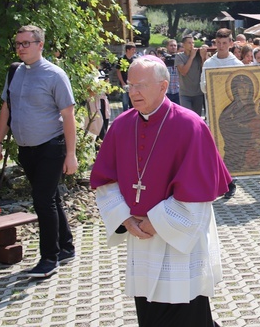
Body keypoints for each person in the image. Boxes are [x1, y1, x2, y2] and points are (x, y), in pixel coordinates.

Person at [90, 56, 232, 326]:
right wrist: (125, 219)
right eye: (130, 85)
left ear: (163, 86)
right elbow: (105, 181)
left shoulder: (190, 125)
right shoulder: (121, 125)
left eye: (141, 85)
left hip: (178, 239)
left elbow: (198, 193)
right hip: (140, 237)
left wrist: (155, 222)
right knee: (149, 312)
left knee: (187, 311)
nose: (133, 92)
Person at [0, 25, 77, 278]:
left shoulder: (55, 75)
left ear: (40, 45)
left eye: (25, 43)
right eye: (17, 44)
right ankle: (66, 246)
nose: (20, 48)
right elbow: (6, 108)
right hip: (26, 149)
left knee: (42, 201)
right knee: (51, 198)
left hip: (51, 146)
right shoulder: (14, 71)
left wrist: (71, 154)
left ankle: (49, 258)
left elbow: (69, 115)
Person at [200, 28, 243, 199]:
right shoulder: (209, 64)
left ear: (231, 44)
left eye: (225, 43)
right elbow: (202, 87)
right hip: (215, 111)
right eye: (218, 43)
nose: (221, 46)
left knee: (232, 146)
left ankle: (231, 181)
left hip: (233, 112)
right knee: (216, 147)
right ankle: (220, 181)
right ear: (215, 43)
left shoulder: (237, 65)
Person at [176, 34, 209, 116]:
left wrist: (202, 57)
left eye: (193, 43)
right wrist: (191, 57)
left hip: (198, 93)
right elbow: (183, 72)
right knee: (187, 116)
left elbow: (205, 70)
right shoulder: (179, 56)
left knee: (196, 117)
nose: (192, 45)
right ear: (184, 45)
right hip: (185, 94)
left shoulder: (197, 55)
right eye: (189, 43)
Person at [117, 43, 138, 111]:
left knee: (132, 101)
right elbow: (118, 71)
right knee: (125, 101)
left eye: (135, 49)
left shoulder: (134, 59)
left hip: (133, 84)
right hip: (125, 83)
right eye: (132, 49)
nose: (134, 51)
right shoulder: (122, 59)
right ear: (127, 50)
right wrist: (122, 82)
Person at [163, 39, 180, 105]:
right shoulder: (163, 58)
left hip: (178, 90)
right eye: (171, 45)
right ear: (167, 47)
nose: (173, 47)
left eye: (175, 45)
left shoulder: (180, 58)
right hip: (166, 91)